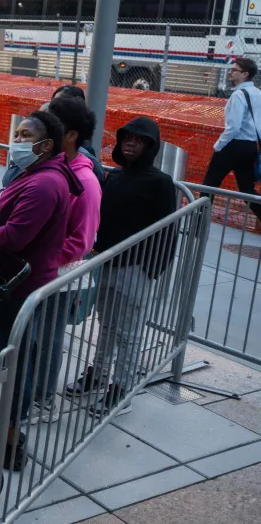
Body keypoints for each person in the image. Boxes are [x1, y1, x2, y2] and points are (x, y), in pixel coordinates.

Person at [0, 111, 81, 470]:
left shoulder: (44, 184)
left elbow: (16, 236)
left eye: (24, 135)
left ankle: (10, 439)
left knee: (16, 362)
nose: (16, 140)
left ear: (45, 145)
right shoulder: (38, 175)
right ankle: (8, 430)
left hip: (19, 285)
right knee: (16, 359)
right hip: (16, 280)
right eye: (16, 132)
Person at [66, 116, 177, 417]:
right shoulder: (113, 177)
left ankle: (122, 387)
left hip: (137, 269)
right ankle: (100, 375)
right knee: (108, 325)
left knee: (129, 332)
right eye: (127, 136)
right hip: (106, 264)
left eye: (139, 139)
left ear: (151, 146)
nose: (131, 142)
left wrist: (151, 271)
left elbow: (168, 231)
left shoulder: (160, 183)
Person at [22, 96, 102, 425]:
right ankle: (25, 396)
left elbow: (82, 241)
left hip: (58, 275)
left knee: (47, 339)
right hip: (36, 269)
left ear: (69, 136)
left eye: (51, 125)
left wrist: (44, 258)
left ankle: (41, 401)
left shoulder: (85, 181)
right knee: (31, 337)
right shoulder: (53, 167)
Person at [204, 57, 261, 222]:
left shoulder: (238, 95)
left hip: (232, 146)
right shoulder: (258, 93)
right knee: (247, 190)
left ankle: (198, 224)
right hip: (250, 147)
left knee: (208, 185)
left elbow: (233, 126)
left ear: (244, 74)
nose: (230, 72)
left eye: (234, 70)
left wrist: (218, 145)